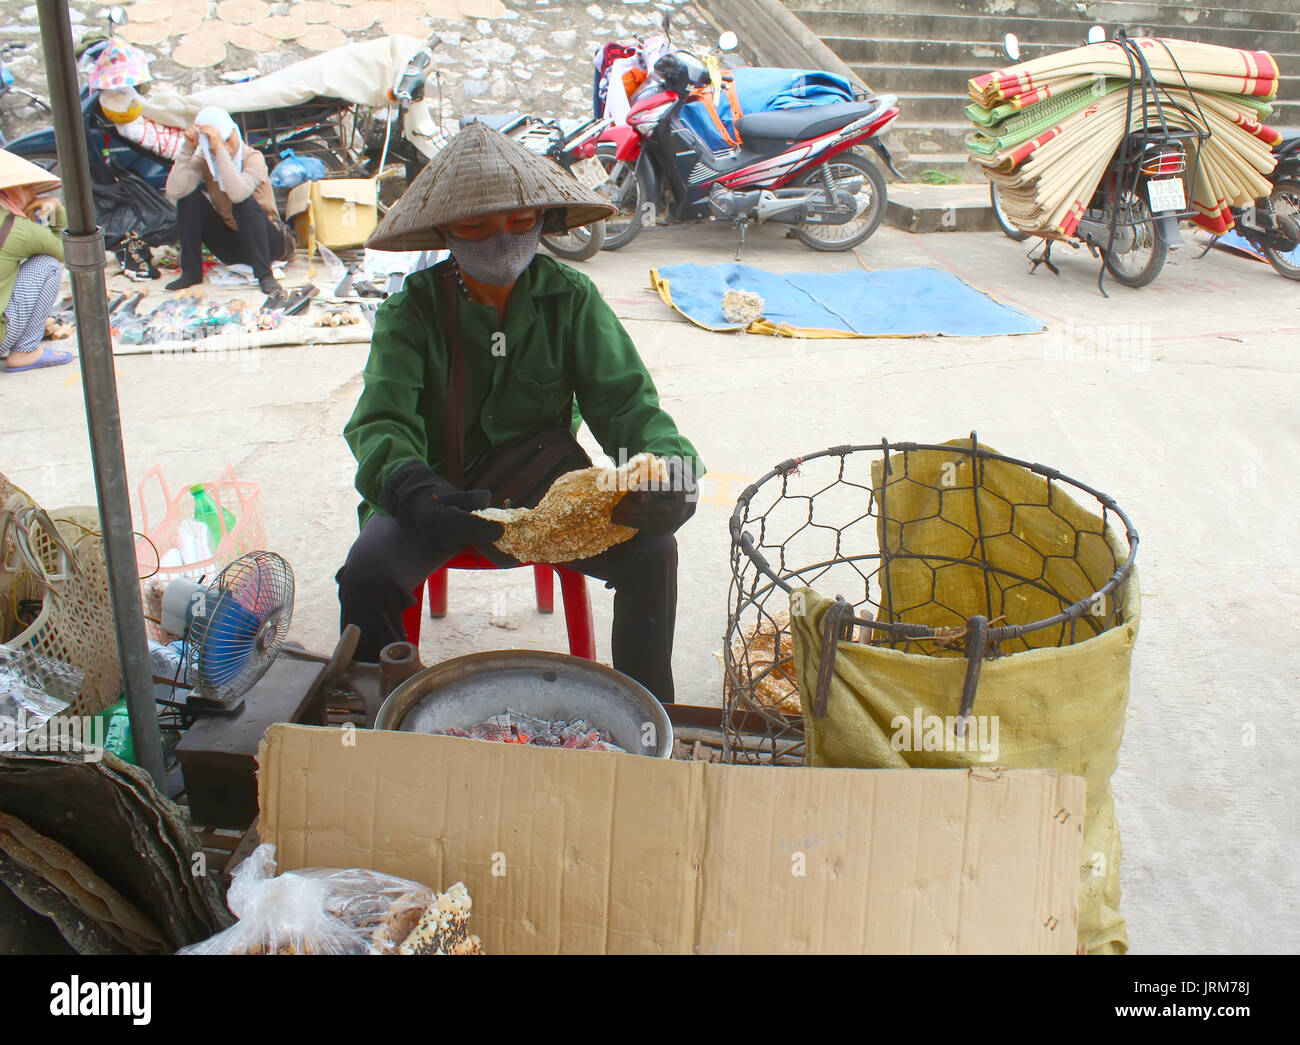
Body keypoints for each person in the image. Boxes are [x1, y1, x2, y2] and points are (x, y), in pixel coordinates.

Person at [338, 122, 704, 705]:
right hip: (437, 485)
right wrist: (412, 488)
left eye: (517, 222)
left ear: (542, 221)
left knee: (653, 551)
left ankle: (645, 710)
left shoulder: (572, 298)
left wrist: (674, 474)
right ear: (445, 232)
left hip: (543, 480)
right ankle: (377, 718)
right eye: (476, 226)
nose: (501, 239)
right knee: (367, 576)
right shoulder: (412, 311)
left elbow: (628, 404)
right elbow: (382, 421)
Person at [163, 106, 286, 296]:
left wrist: (219, 148)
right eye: (216, 144)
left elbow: (237, 194)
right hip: (233, 246)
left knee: (243, 202)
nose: (227, 147)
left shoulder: (253, 157)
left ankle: (265, 276)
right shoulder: (207, 160)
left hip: (268, 243)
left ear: (235, 132)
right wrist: (187, 148)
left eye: (228, 139)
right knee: (188, 198)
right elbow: (174, 191)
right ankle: (192, 272)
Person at [0, 150, 73, 373]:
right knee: (47, 263)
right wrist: (55, 209)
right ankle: (25, 351)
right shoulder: (15, 227)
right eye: (28, 187)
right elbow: (63, 250)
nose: (32, 194)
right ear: (11, 190)